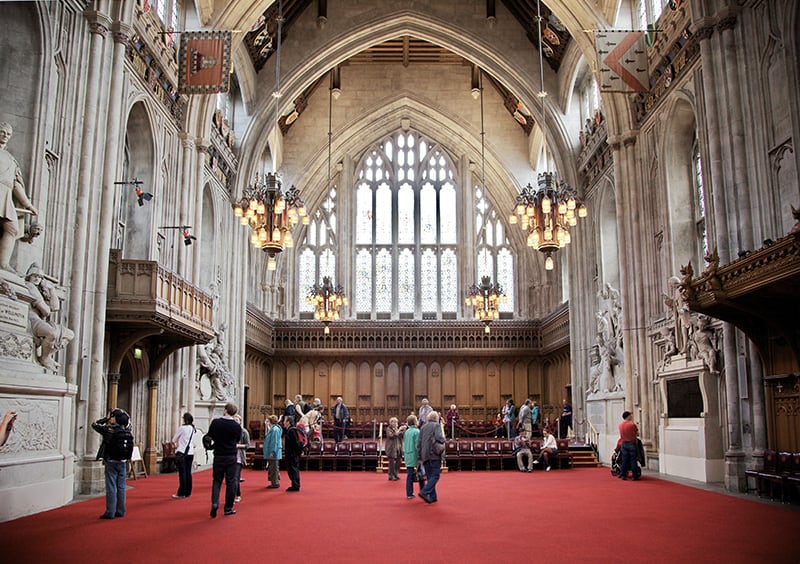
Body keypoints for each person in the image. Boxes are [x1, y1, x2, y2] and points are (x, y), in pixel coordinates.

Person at [0, 122, 37, 272]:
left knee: (13, 229)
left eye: (8, 134)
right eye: (2, 132)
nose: (5, 136)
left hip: (5, 195)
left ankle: (3, 263)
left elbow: (16, 185)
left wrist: (28, 205)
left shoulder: (10, 159)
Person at [25, 263, 74, 370]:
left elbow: (55, 307)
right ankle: (44, 357)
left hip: (39, 320)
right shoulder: (30, 286)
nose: (37, 278)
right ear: (29, 276)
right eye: (35, 275)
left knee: (69, 334)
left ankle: (47, 355)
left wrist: (51, 290)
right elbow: (46, 312)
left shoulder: (41, 290)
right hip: (31, 320)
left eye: (40, 277)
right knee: (52, 333)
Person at [91, 408, 132, 519]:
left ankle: (110, 512)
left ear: (115, 419)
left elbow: (94, 424)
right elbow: (128, 421)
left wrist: (106, 419)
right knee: (122, 487)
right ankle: (120, 510)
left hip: (111, 461)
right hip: (123, 461)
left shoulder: (109, 430)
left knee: (111, 486)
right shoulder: (128, 430)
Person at [207, 402, 242, 517]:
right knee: (231, 482)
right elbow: (237, 440)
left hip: (219, 455)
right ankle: (228, 507)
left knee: (217, 481)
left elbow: (209, 436)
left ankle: (215, 502)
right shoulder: (236, 426)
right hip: (231, 456)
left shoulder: (216, 423)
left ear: (225, 410)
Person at [417, 411, 445, 504]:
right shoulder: (436, 426)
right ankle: (424, 491)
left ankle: (433, 497)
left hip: (425, 455)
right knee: (435, 475)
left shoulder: (423, 427)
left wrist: (419, 457)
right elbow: (440, 438)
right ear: (436, 418)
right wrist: (443, 436)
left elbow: (419, 443)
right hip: (434, 454)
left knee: (429, 476)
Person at [171, 412, 196, 499]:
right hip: (190, 452)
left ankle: (181, 492)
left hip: (182, 451)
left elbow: (174, 439)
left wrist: (177, 443)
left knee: (182, 473)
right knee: (188, 472)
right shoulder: (193, 429)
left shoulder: (182, 428)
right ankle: (188, 492)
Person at [402, 415, 425, 499]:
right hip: (415, 455)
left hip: (407, 454)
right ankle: (423, 492)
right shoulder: (417, 431)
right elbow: (417, 445)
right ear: (415, 422)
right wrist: (420, 457)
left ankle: (409, 493)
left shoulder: (407, 432)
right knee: (421, 475)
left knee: (409, 476)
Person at [617, 411, 641, 481]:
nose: (631, 416)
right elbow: (637, 433)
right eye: (630, 415)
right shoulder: (632, 424)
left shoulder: (620, 425)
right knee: (633, 460)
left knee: (624, 460)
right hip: (631, 443)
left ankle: (623, 474)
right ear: (628, 416)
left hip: (624, 443)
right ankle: (634, 476)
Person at [282, 414, 303, 491]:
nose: (283, 422)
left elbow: (295, 443)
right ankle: (294, 484)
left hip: (292, 454)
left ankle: (295, 485)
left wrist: (298, 452)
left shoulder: (292, 431)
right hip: (291, 454)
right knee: (292, 469)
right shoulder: (290, 430)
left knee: (293, 469)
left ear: (288, 422)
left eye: (284, 421)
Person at [233, 414, 250, 503]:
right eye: (234, 420)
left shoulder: (244, 432)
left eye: (237, 420)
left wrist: (237, 446)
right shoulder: (229, 431)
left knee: (236, 478)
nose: (235, 421)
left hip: (239, 457)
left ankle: (237, 494)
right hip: (230, 457)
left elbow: (247, 445)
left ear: (240, 421)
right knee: (230, 478)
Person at [263, 415, 282, 489]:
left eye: (268, 421)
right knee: (273, 466)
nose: (267, 423)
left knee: (274, 467)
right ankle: (274, 481)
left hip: (274, 451)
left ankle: (275, 483)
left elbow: (274, 442)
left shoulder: (275, 430)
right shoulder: (273, 429)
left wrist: (272, 452)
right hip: (272, 451)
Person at [385, 416, 404, 481]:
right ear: (391, 423)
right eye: (394, 422)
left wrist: (403, 430)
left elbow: (401, 435)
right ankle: (391, 475)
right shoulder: (388, 429)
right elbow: (392, 436)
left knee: (399, 461)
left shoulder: (397, 429)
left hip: (398, 447)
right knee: (392, 463)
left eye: (396, 422)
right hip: (391, 448)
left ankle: (395, 474)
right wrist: (399, 430)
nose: (396, 423)